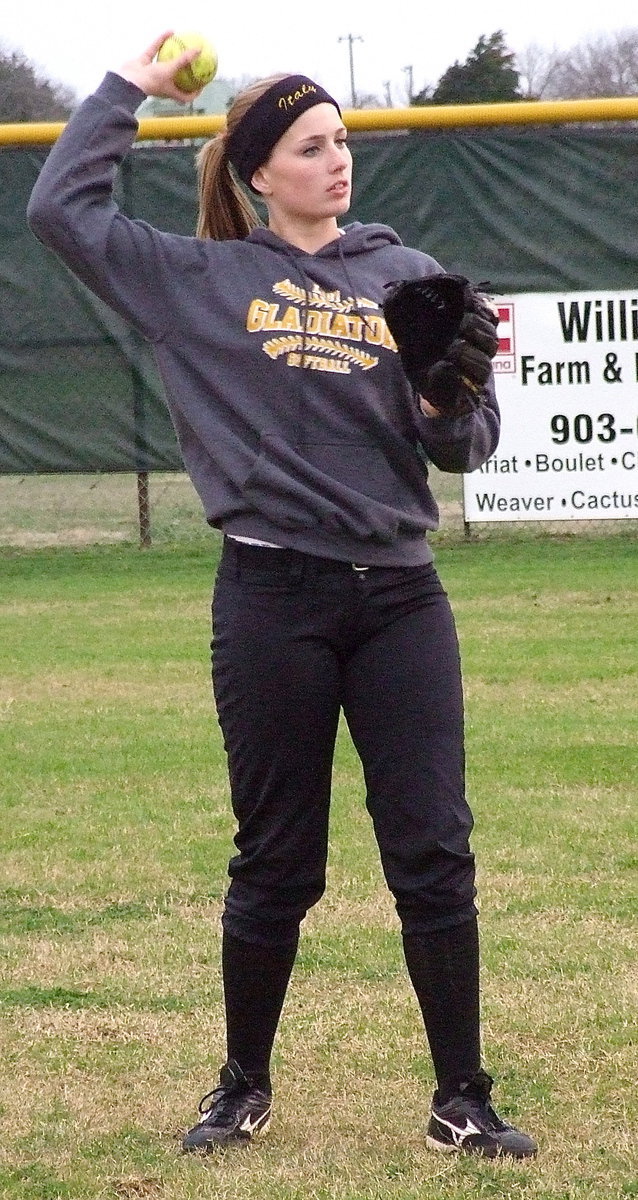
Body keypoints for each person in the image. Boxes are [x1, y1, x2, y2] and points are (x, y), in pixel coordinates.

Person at [27, 34, 537, 1161]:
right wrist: (129, 93)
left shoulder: (408, 277)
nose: (337, 160)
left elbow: (462, 449)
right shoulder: (201, 281)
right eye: (311, 147)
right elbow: (61, 211)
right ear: (260, 173)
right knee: (275, 858)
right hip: (271, 594)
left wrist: (444, 394)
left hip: (401, 597)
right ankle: (241, 1084)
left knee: (432, 848)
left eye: (343, 140)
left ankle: (463, 1097)